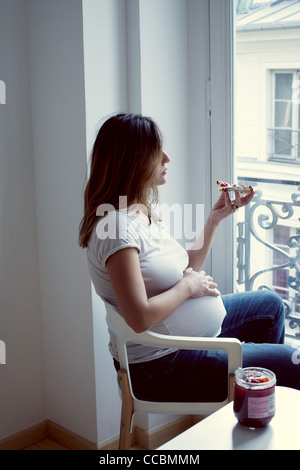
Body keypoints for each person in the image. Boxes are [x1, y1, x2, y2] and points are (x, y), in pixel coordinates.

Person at [79, 113, 300, 402]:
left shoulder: (140, 211)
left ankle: (250, 406)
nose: (167, 157)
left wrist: (214, 219)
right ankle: (252, 408)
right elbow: (139, 317)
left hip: (182, 344)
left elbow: (187, 267)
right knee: (294, 361)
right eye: (157, 151)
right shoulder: (116, 229)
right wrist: (188, 287)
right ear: (133, 160)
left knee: (270, 305)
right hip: (158, 365)